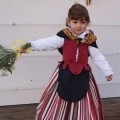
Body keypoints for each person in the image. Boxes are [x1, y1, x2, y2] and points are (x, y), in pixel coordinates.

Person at [28, 3, 113, 120]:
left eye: (82, 22)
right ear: (68, 21)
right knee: (60, 96)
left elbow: (98, 56)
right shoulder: (63, 36)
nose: (79, 26)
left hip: (83, 75)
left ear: (87, 23)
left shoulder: (89, 39)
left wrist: (107, 71)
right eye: (75, 22)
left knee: (84, 98)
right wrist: (28, 46)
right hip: (65, 73)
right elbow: (46, 43)